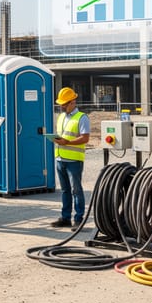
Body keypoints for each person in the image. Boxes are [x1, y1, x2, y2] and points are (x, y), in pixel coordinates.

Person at [51, 87, 91, 231]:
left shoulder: (82, 117)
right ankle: (65, 218)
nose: (61, 106)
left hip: (74, 161)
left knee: (76, 190)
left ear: (72, 102)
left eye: (64, 104)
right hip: (60, 158)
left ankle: (78, 219)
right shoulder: (61, 116)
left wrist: (67, 142)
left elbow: (85, 138)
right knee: (65, 190)